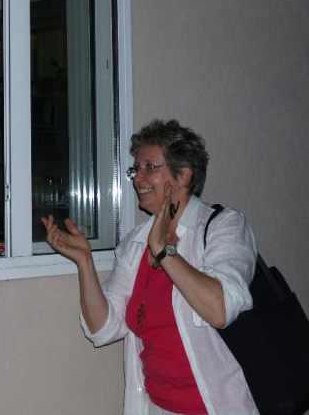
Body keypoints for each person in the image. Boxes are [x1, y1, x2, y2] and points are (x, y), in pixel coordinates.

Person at [43, 119, 259, 415]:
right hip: (155, 406)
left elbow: (220, 310)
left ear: (184, 174)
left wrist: (163, 251)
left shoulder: (224, 226)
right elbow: (103, 329)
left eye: (150, 167)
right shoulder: (135, 244)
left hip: (216, 408)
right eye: (136, 169)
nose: (137, 179)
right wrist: (85, 262)